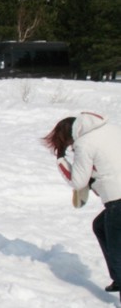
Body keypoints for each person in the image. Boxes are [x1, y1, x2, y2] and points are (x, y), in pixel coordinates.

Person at [44, 112, 121, 293]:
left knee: (117, 247)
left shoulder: (84, 143)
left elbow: (78, 182)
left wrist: (61, 158)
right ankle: (118, 278)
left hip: (118, 201)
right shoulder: (112, 129)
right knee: (100, 226)